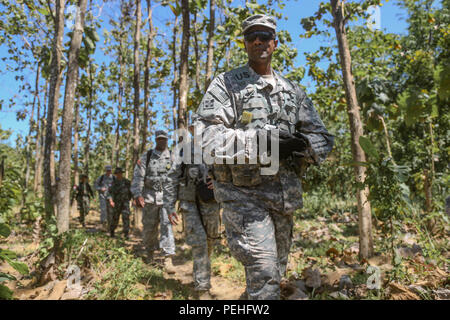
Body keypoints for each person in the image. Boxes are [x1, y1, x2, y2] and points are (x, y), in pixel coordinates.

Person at [192, 14, 334, 299]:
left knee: (272, 275)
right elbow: (205, 138)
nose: (258, 40)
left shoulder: (293, 92)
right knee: (265, 272)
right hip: (242, 195)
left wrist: (301, 146)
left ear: (275, 43)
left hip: (283, 197)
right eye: (252, 36)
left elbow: (324, 139)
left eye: (265, 35)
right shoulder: (226, 85)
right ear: (245, 43)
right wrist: (264, 144)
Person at [166, 125, 220, 299]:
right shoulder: (182, 151)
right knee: (200, 243)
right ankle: (202, 288)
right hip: (188, 202)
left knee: (211, 239)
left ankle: (201, 270)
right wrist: (169, 205)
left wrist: (220, 183)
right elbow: (173, 176)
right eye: (194, 129)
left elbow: (230, 172)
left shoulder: (217, 147)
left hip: (211, 201)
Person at [131, 130, 176, 274]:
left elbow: (178, 177)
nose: (162, 141)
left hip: (167, 198)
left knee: (166, 226)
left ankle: (168, 259)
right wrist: (137, 194)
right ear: (156, 140)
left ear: (167, 140)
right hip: (149, 198)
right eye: (159, 139)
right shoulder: (147, 156)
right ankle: (150, 253)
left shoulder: (173, 157)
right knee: (149, 228)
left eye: (164, 139)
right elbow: (138, 176)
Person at [107, 167, 132, 239]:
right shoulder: (113, 183)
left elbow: (131, 192)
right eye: (118, 173)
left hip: (125, 203)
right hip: (116, 203)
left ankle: (126, 233)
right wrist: (111, 201)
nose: (119, 174)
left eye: (120, 173)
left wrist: (132, 200)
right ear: (116, 174)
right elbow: (109, 193)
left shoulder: (127, 182)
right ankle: (112, 232)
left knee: (126, 218)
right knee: (115, 218)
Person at [94, 165, 115, 230]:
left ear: (111, 170)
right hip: (102, 197)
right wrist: (100, 188)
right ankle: (103, 225)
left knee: (111, 212)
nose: (108, 172)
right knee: (103, 211)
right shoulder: (101, 177)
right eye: (107, 170)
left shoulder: (114, 178)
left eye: (110, 170)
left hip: (111, 198)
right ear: (105, 171)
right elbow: (95, 186)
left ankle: (110, 226)